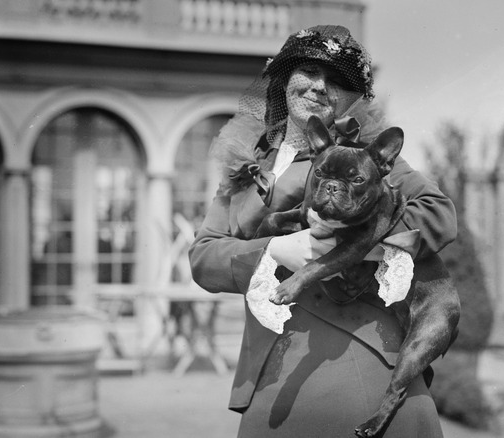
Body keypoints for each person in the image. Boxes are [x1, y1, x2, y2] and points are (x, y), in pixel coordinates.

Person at [189, 25, 457, 437]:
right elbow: (204, 257)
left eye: (337, 82)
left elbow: (438, 213)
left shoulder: (358, 156)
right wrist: (277, 250)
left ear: (353, 97)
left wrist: (343, 243)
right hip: (271, 371)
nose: (319, 87)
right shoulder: (246, 163)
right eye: (310, 72)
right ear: (284, 77)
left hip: (360, 358)